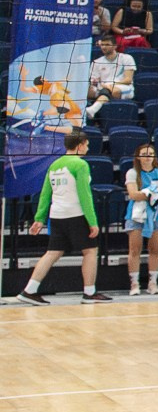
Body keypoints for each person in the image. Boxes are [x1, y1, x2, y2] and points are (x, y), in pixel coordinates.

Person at [15, 131, 106, 305]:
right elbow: (84, 195)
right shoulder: (80, 165)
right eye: (86, 145)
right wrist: (92, 222)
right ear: (79, 145)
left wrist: (39, 218)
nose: (87, 148)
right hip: (76, 215)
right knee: (90, 251)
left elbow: (45, 194)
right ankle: (89, 293)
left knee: (52, 253)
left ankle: (29, 290)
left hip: (57, 216)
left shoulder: (54, 164)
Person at [124, 142, 158, 296]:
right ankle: (134, 283)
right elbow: (133, 194)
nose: (147, 158)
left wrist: (147, 192)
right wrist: (153, 191)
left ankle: (153, 283)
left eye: (150, 154)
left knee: (155, 250)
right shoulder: (132, 173)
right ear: (138, 157)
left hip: (157, 214)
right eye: (144, 155)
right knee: (134, 250)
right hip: (137, 215)